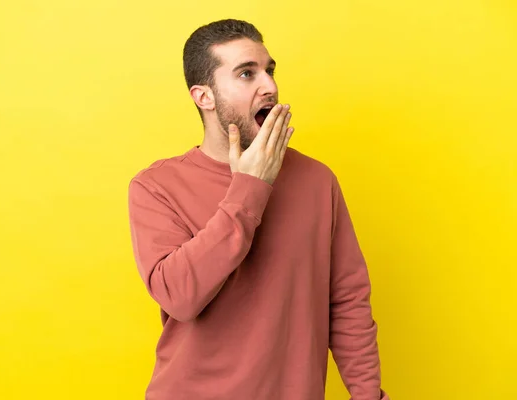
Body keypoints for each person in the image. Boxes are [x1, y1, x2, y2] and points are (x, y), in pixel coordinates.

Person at [127, 18, 389, 400]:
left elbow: (347, 301)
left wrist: (369, 396)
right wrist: (250, 188)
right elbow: (180, 296)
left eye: (269, 71)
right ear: (205, 97)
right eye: (247, 74)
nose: (270, 87)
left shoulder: (317, 181)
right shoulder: (156, 187)